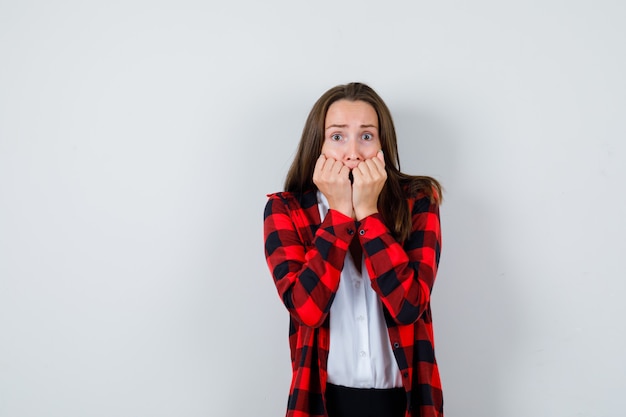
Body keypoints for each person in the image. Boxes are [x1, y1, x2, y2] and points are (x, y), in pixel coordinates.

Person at [263, 82, 444, 417]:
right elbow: (306, 310)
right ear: (317, 145)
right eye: (337, 136)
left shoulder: (419, 201)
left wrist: (369, 214)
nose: (352, 153)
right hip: (322, 401)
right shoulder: (285, 210)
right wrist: (340, 214)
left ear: (382, 144)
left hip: (403, 402)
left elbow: (409, 306)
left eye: (366, 136)